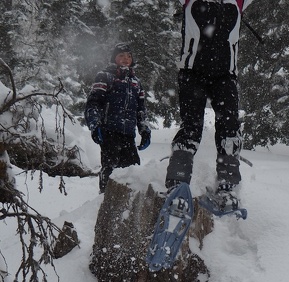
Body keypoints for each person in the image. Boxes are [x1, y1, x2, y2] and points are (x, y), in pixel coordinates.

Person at [165, 0, 253, 207]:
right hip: (192, 73)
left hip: (225, 76)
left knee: (229, 129)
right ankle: (177, 182)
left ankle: (228, 187)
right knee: (191, 128)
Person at [85, 43, 151, 193]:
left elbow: (141, 110)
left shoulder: (136, 82)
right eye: (121, 55)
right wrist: (95, 125)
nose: (125, 59)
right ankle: (105, 201)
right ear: (114, 58)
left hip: (128, 134)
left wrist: (145, 130)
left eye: (128, 56)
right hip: (109, 131)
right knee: (110, 168)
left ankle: (127, 207)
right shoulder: (105, 76)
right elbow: (94, 103)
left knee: (133, 170)